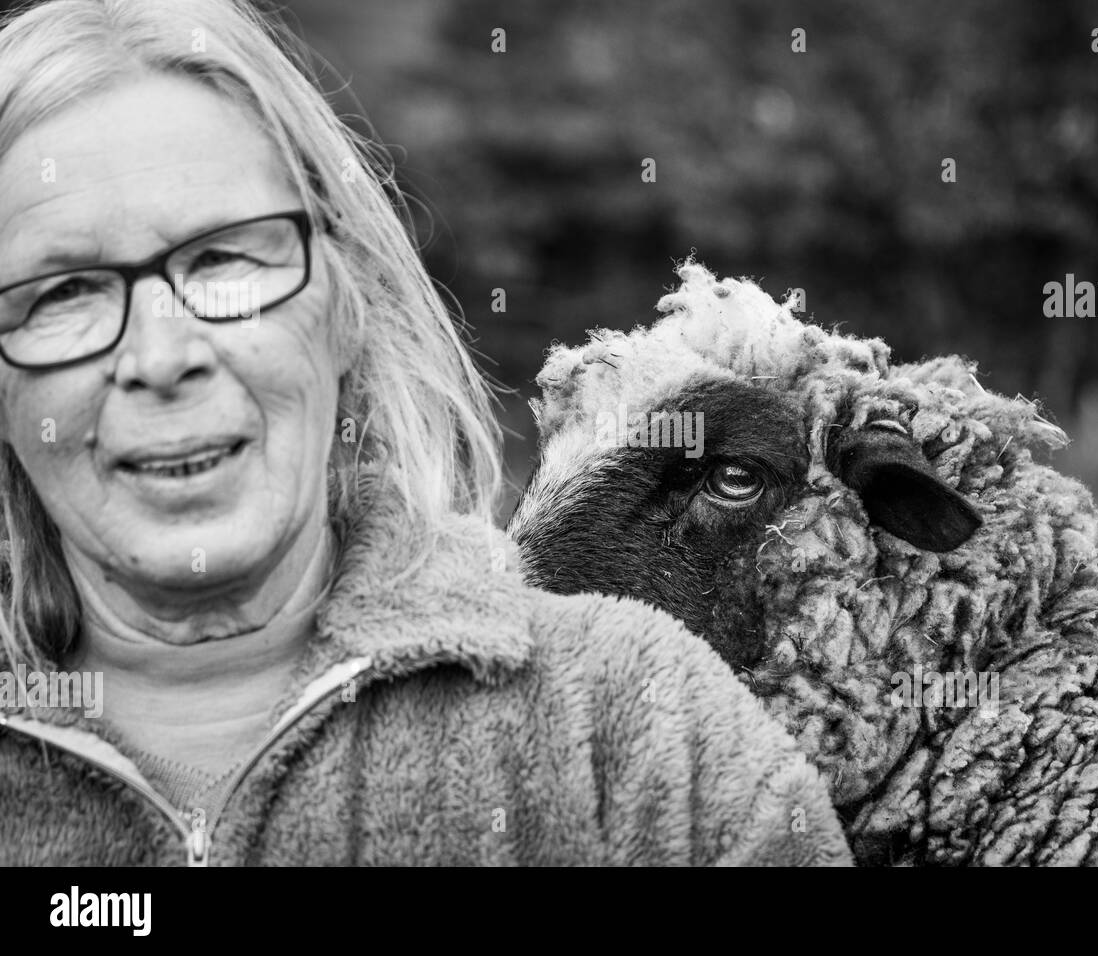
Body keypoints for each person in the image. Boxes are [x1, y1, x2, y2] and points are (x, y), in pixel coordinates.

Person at [0, 0, 851, 866]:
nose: (161, 354)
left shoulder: (646, 742)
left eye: (224, 258)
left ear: (343, 301)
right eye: (64, 292)